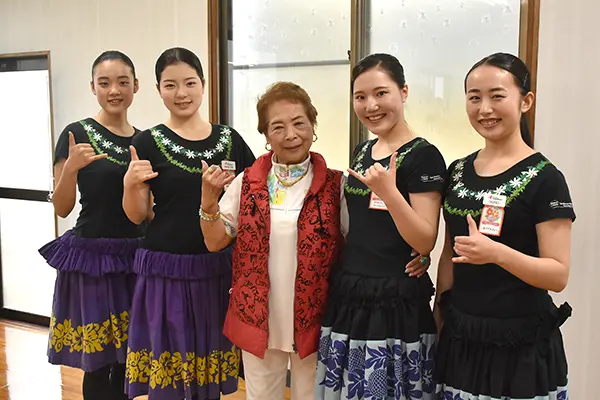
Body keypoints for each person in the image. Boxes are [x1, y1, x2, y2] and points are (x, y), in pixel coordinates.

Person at [434, 52, 575, 400]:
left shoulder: (546, 179)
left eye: (497, 96)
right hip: (462, 337)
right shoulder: (457, 171)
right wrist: (439, 313)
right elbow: (451, 251)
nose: (485, 109)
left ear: (525, 101)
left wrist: (497, 254)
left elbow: (557, 275)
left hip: (520, 344)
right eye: (474, 98)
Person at [199, 81, 348, 399]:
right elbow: (215, 241)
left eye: (299, 123)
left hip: (317, 319)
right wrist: (209, 203)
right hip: (258, 319)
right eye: (278, 127)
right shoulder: (247, 182)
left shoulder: (336, 185)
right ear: (266, 135)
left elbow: (359, 243)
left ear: (313, 125)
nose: (291, 134)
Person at [122, 47, 255, 400]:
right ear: (158, 89)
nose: (181, 93)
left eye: (190, 83)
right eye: (171, 85)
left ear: (203, 84)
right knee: (169, 375)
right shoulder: (146, 142)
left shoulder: (230, 140)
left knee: (207, 373)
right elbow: (137, 215)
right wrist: (130, 183)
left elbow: (254, 197)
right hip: (166, 269)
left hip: (216, 269)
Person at [315, 53, 446, 400]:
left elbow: (425, 239)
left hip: (395, 298)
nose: (370, 105)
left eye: (381, 93)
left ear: (404, 92)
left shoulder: (424, 156)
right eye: (360, 97)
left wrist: (389, 193)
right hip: (351, 291)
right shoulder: (363, 151)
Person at [39, 50, 143, 400]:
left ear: (136, 86)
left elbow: (149, 208)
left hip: (135, 257)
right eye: (105, 83)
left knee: (131, 358)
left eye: (122, 82)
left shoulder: (144, 140)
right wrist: (70, 168)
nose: (114, 90)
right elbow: (62, 207)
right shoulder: (76, 134)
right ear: (93, 87)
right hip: (92, 258)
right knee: (98, 362)